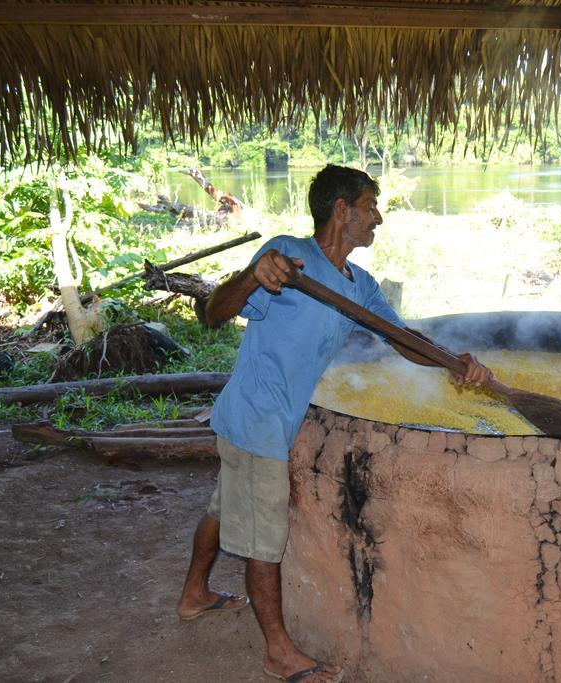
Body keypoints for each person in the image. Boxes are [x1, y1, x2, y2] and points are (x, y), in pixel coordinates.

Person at [175, 164, 491, 683]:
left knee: (223, 508)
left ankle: (193, 595)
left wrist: (457, 364)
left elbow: (402, 339)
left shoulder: (359, 285)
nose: (379, 219)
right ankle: (278, 652)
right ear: (341, 210)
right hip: (258, 422)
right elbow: (214, 312)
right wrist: (253, 275)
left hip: (261, 420)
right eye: (371, 207)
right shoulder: (287, 255)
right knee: (262, 540)